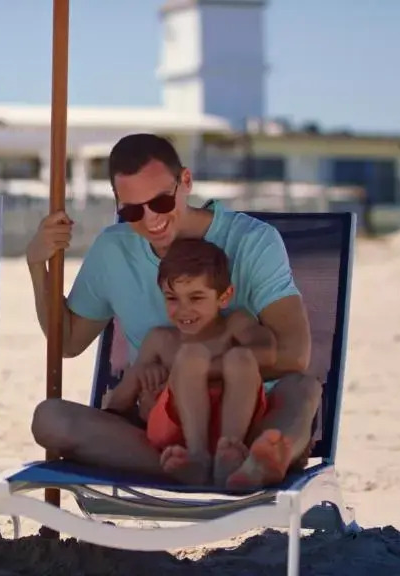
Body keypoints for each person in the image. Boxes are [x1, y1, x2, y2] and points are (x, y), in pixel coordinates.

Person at [28, 133, 321, 490]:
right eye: (132, 210)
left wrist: (187, 372)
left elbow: (295, 356)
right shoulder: (113, 249)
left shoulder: (252, 241)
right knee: (51, 418)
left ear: (185, 181)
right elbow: (67, 342)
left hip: (249, 416)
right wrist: (37, 264)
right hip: (161, 426)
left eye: (161, 202)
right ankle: (205, 466)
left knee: (303, 389)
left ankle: (247, 457)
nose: (151, 219)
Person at [102, 237, 276, 487]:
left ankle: (230, 451)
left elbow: (268, 353)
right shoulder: (161, 340)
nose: (183, 310)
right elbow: (118, 406)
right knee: (191, 355)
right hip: (175, 432)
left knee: (240, 357)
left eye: (196, 298)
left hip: (236, 424)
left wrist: (197, 371)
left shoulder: (236, 324)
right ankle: (197, 456)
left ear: (224, 296)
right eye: (172, 298)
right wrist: (142, 379)